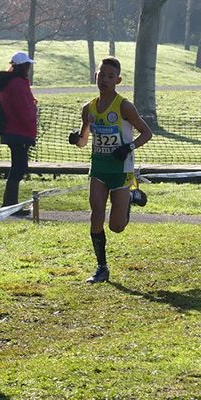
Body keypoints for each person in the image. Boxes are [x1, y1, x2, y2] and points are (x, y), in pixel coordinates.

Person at [69, 56, 152, 284]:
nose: (104, 79)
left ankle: (131, 197)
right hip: (98, 168)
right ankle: (101, 267)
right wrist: (76, 139)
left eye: (110, 76)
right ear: (96, 76)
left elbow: (147, 133)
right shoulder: (88, 108)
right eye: (101, 75)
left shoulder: (124, 106)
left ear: (118, 80)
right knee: (96, 214)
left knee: (116, 227)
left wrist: (128, 147)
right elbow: (85, 141)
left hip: (121, 169)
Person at [0, 51, 38, 215]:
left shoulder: (10, 83)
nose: (29, 68)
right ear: (22, 66)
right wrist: (32, 115)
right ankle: (10, 205)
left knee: (17, 167)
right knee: (19, 168)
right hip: (19, 131)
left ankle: (9, 204)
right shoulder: (18, 84)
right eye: (27, 65)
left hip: (14, 131)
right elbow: (23, 110)